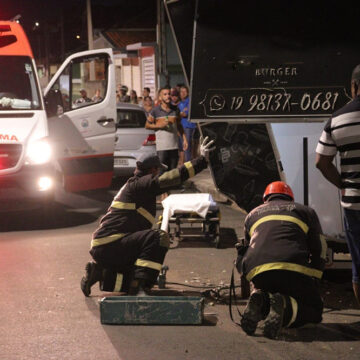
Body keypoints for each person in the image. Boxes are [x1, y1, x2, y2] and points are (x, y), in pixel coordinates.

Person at [80, 137, 215, 297]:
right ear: (153, 170)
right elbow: (172, 178)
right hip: (111, 244)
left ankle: (99, 273)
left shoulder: (135, 185)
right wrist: (201, 161)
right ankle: (142, 288)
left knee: (131, 277)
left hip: (107, 245)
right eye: (158, 170)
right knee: (158, 237)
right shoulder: (142, 184)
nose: (159, 173)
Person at [236, 181, 327, 339]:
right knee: (314, 310)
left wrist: (249, 277)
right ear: (290, 198)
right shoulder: (305, 211)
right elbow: (321, 247)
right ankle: (284, 305)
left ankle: (262, 300)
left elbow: (244, 250)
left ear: (266, 199)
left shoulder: (251, 214)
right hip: (293, 268)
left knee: (271, 297)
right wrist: (316, 275)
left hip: (258, 271)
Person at [316, 64, 360, 306]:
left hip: (354, 203)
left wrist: (343, 183)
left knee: (359, 264)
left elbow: (321, 162)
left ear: (353, 87)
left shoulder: (338, 119)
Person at [146, 87, 188, 173]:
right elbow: (147, 125)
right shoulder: (155, 111)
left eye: (169, 94)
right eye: (165, 94)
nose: (168, 96)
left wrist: (184, 139)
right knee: (162, 173)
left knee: (173, 172)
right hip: (162, 147)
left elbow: (179, 125)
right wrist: (159, 125)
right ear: (160, 97)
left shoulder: (175, 109)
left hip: (174, 146)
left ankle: (172, 187)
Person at [179, 85, 196, 162]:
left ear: (188, 93)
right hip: (181, 126)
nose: (182, 93)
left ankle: (188, 163)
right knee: (182, 146)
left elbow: (185, 114)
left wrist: (179, 113)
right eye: (181, 91)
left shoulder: (190, 101)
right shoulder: (180, 103)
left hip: (188, 126)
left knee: (187, 145)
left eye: (184, 91)